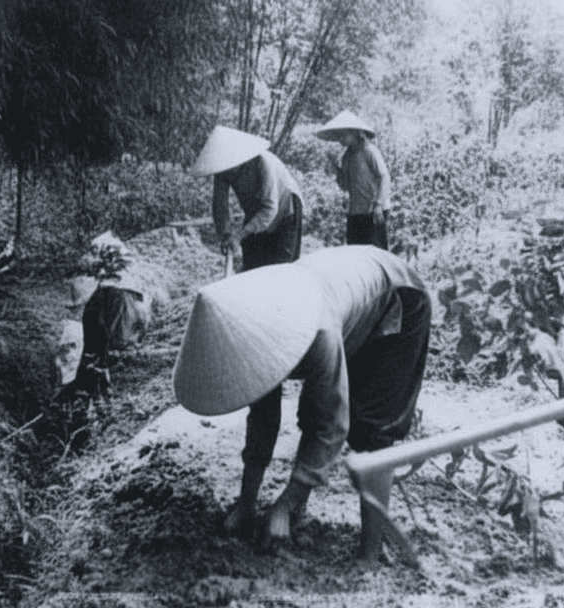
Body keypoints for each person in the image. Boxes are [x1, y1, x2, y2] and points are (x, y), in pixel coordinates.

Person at [173, 245, 431, 562]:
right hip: (347, 296)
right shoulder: (251, 330)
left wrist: (283, 504)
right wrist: (246, 502)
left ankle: (370, 553)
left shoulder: (320, 333)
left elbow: (332, 425)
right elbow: (263, 415)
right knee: (312, 410)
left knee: (371, 432)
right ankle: (294, 509)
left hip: (399, 296)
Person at [190, 125, 304, 528]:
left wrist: (241, 233)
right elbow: (220, 208)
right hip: (258, 223)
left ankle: (275, 334)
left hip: (284, 218)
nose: (229, 174)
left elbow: (269, 211)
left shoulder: (265, 166)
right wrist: (226, 234)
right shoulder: (225, 173)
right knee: (251, 281)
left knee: (276, 284)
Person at [316, 110, 391, 249]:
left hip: (373, 210)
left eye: (343, 134)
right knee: (355, 252)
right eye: (338, 135)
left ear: (355, 133)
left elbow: (384, 176)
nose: (340, 138)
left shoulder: (369, 151)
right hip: (355, 212)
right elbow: (345, 186)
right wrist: (338, 171)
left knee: (375, 253)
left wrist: (379, 204)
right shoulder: (346, 157)